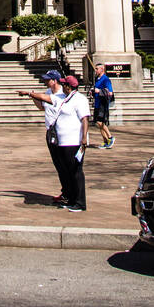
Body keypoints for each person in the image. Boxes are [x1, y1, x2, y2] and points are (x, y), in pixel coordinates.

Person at [18, 69, 67, 204]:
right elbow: (42, 107)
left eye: (48, 79)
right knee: (57, 163)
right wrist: (33, 97)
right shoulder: (48, 92)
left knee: (64, 164)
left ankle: (68, 192)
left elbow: (49, 100)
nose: (45, 81)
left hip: (61, 132)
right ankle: (65, 191)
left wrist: (30, 93)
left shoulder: (62, 94)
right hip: (50, 132)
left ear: (55, 80)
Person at [54, 75, 91, 212]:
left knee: (76, 172)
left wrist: (84, 138)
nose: (62, 86)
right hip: (64, 142)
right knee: (68, 172)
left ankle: (80, 202)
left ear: (69, 87)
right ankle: (72, 199)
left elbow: (85, 119)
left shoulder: (80, 99)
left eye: (64, 85)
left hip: (74, 141)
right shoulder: (65, 99)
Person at [91, 64, 116, 149]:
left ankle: (110, 137)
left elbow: (110, 93)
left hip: (102, 104)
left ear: (102, 69)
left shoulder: (106, 79)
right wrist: (93, 92)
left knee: (100, 122)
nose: (96, 70)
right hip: (97, 103)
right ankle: (105, 141)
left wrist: (99, 91)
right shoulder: (97, 79)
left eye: (97, 69)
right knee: (98, 123)